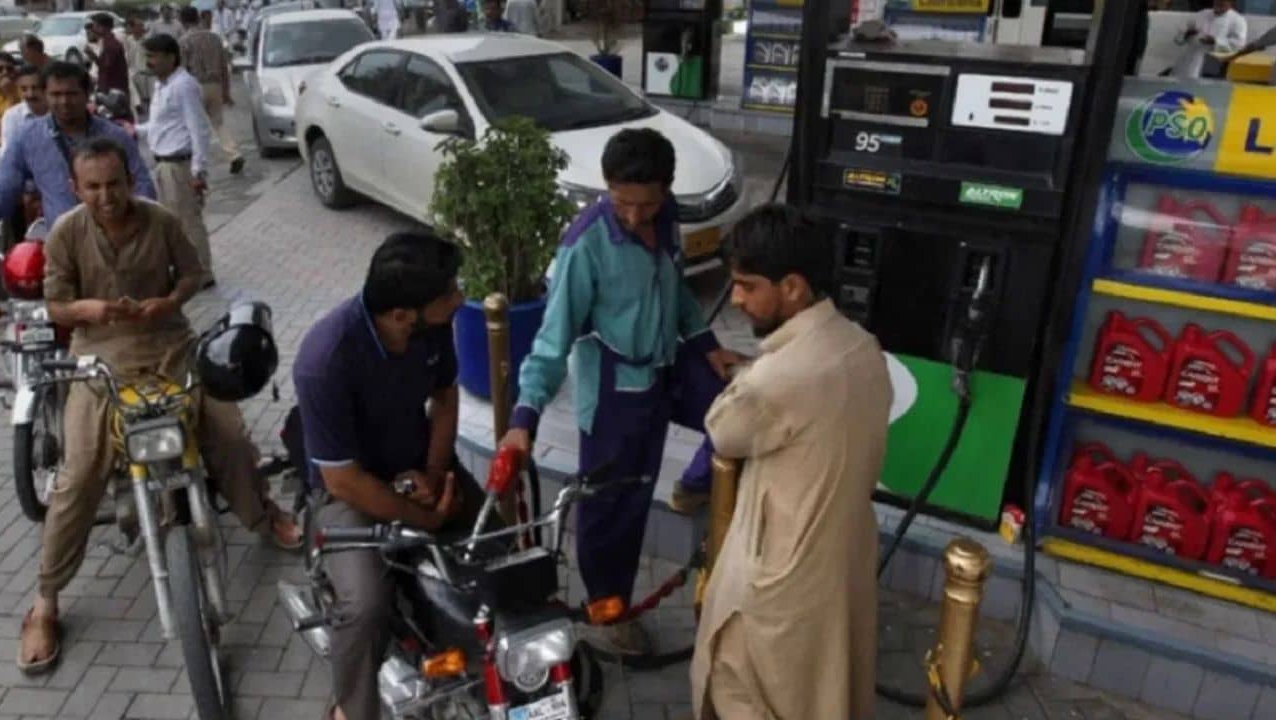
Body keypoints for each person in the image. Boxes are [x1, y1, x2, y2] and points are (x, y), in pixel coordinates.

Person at [15, 137, 301, 674]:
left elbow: (191, 274)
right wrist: (90, 309)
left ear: (130, 179)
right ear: (77, 188)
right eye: (93, 187)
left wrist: (169, 301)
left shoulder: (162, 220)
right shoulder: (65, 232)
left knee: (230, 436)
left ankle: (264, 515)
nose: (106, 196)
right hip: (99, 361)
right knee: (77, 477)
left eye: (114, 184)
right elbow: (54, 303)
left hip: (171, 348)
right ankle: (45, 601)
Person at [499, 128, 742, 655]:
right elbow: (551, 338)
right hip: (615, 391)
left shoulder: (669, 216)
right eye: (621, 202)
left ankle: (695, 484)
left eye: (646, 204)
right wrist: (523, 417)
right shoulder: (584, 246)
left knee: (735, 412)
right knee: (615, 509)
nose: (633, 215)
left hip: (669, 364)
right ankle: (609, 612)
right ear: (607, 189)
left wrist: (707, 345)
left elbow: (677, 292)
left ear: (665, 190)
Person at [690, 204, 888, 720]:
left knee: (744, 695)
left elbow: (723, 431)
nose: (735, 300)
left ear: (794, 287)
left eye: (747, 286)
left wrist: (750, 376)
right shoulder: (863, 348)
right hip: (841, 563)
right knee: (825, 690)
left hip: (776, 583)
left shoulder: (774, 381)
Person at [294, 232, 491, 720]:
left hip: (420, 464)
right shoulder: (325, 359)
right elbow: (342, 480)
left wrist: (433, 473)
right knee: (365, 605)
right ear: (403, 314)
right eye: (449, 293)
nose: (459, 298)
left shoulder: (432, 326)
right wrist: (420, 518)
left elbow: (445, 398)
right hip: (351, 492)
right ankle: (350, 710)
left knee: (497, 544)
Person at [0, 62, 155, 228]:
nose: (64, 101)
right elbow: (5, 187)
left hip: (117, 237)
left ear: (87, 94)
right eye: (56, 94)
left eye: (72, 94)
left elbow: (142, 186)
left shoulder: (116, 136)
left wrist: (141, 228)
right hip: (62, 242)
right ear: (45, 95)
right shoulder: (27, 138)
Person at [139, 33, 216, 289]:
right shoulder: (162, 85)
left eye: (153, 56)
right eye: (147, 56)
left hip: (180, 165)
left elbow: (198, 128)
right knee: (171, 222)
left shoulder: (184, 85)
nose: (149, 61)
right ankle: (184, 270)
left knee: (188, 221)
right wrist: (135, 129)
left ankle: (202, 273)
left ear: (171, 57)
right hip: (162, 164)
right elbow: (162, 125)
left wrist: (198, 171)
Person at [178, 5, 243, 175]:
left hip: (195, 86)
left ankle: (198, 165)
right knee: (219, 123)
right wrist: (226, 92)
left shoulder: (184, 41)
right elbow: (224, 67)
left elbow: (182, 70)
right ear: (198, 18)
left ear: (183, 21)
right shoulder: (214, 38)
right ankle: (234, 154)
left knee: (194, 126)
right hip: (215, 84)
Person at [1172, 0, 1247, 78]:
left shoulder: (1238, 20)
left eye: (1224, 1)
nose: (1219, 2)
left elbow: (1239, 44)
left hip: (1213, 64)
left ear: (1231, 3)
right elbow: (1178, 38)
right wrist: (1187, 33)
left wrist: (1215, 41)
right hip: (1188, 60)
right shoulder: (1202, 14)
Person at [0, 65, 49, 162]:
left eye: (35, 88)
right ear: (18, 90)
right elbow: (8, 151)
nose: (30, 94)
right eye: (24, 89)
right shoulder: (12, 115)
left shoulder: (56, 111)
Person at [85, 14, 129, 96]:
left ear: (105, 28)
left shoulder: (112, 44)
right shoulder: (105, 42)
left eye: (97, 26)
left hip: (113, 90)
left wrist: (92, 55)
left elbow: (106, 67)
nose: (94, 29)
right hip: (108, 88)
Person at [124, 14, 153, 115]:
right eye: (138, 25)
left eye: (141, 25)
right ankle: (137, 105)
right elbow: (126, 55)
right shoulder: (128, 40)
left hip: (145, 70)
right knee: (129, 80)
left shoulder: (147, 40)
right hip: (132, 69)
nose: (141, 27)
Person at [0, 53, 21, 139]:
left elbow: (20, 124)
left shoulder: (26, 90)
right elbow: (1, 129)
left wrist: (11, 95)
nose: (5, 72)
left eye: (10, 69)